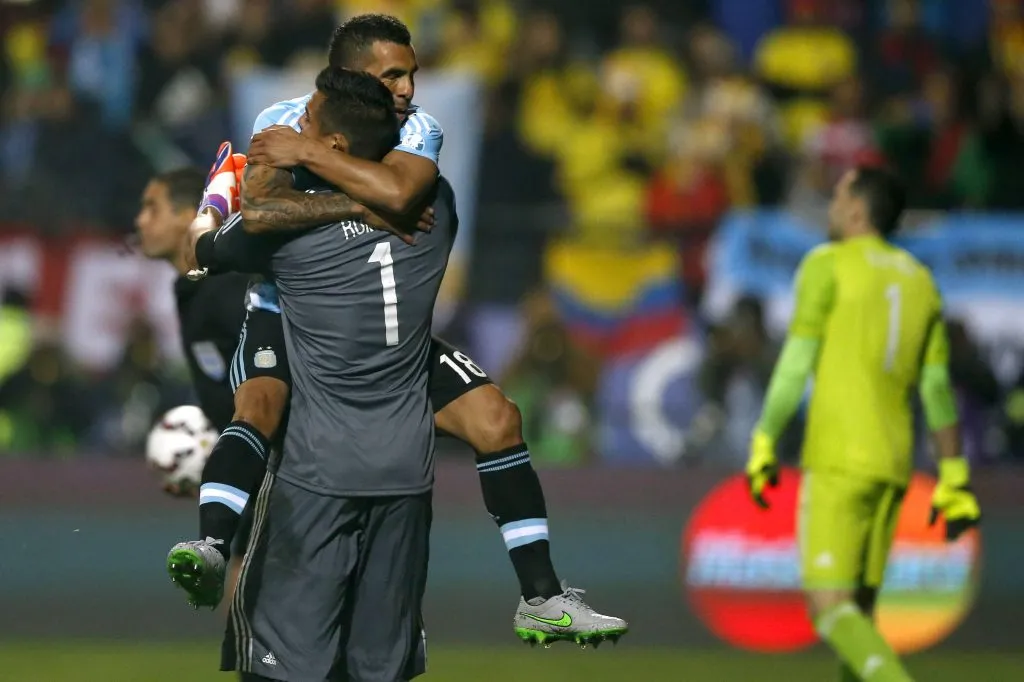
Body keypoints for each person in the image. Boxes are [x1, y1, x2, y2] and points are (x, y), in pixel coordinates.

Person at [168, 13, 627, 646]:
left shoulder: (418, 128)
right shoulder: (281, 113)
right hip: (288, 311)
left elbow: (405, 193)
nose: (408, 87)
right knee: (262, 403)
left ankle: (541, 597)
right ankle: (214, 546)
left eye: (410, 73)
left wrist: (308, 158)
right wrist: (357, 202)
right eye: (392, 74)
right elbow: (264, 213)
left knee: (497, 419)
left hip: (381, 329)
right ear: (351, 78)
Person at [215, 66, 439, 682]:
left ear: (332, 146)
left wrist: (296, 173)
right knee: (380, 667)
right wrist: (363, 194)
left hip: (319, 470)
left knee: (284, 662)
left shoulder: (295, 242)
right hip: (408, 471)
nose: (296, 126)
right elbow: (396, 193)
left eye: (308, 122)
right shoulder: (435, 213)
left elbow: (233, 234)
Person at [745, 166, 981, 682]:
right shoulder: (921, 281)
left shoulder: (828, 263)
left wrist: (764, 437)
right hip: (895, 464)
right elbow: (937, 391)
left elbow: (795, 362)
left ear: (857, 210)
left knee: (829, 607)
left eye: (837, 198)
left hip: (838, 458)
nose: (830, 208)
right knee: (861, 616)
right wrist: (955, 477)